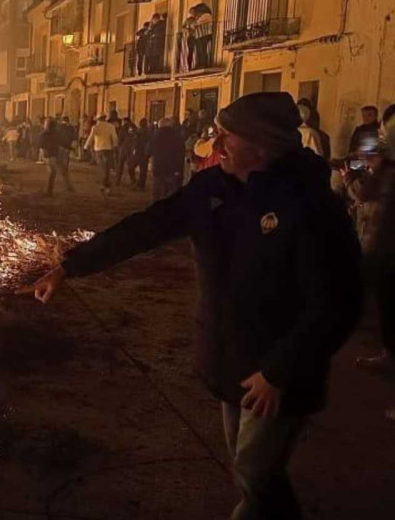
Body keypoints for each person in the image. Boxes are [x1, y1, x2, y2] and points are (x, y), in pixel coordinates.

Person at [21, 92, 363, 519]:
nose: (215, 145)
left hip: (280, 371)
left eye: (227, 137)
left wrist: (280, 371)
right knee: (258, 477)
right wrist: (70, 267)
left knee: (254, 475)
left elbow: (339, 302)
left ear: (263, 145)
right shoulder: (212, 187)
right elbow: (146, 227)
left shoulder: (310, 207)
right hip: (230, 356)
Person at [351, 104, 395, 421]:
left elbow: (366, 194)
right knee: (387, 306)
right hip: (383, 246)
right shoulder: (384, 163)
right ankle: (388, 353)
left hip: (387, 245)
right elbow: (366, 190)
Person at [149, 117, 186, 200]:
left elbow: (147, 151)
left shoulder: (155, 136)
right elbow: (181, 154)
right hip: (172, 170)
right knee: (172, 194)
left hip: (158, 168)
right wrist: (179, 169)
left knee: (157, 193)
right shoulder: (178, 137)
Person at [84, 114, 120, 195]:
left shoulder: (95, 127)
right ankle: (107, 186)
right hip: (108, 149)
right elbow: (114, 138)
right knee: (107, 167)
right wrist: (115, 146)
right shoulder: (111, 126)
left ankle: (103, 185)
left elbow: (91, 137)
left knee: (101, 167)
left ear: (98, 119)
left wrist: (86, 147)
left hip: (99, 149)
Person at [41, 119, 75, 195]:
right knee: (60, 171)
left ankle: (51, 189)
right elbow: (62, 142)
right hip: (54, 153)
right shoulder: (55, 133)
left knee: (55, 171)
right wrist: (70, 147)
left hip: (51, 154)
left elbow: (41, 144)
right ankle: (67, 187)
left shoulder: (45, 134)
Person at [123, 118, 153, 190]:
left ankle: (135, 181)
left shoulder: (137, 131)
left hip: (137, 153)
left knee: (131, 167)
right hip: (145, 153)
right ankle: (141, 185)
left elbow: (134, 141)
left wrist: (132, 150)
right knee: (143, 171)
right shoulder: (149, 132)